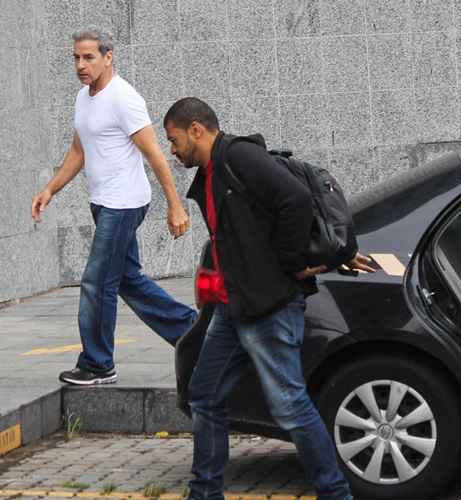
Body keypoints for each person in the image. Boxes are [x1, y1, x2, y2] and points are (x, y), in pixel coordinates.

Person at [163, 97, 374, 500]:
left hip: (268, 306)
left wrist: (290, 262)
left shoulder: (238, 157)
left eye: (173, 140)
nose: (172, 150)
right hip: (233, 306)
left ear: (197, 130)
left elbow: (294, 199)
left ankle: (336, 494)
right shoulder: (211, 173)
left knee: (291, 406)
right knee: (204, 395)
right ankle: (204, 493)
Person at [30, 29, 197, 385]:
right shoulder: (83, 98)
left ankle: (97, 363)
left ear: (109, 57)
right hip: (102, 202)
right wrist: (51, 189)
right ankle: (195, 334)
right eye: (75, 57)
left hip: (124, 203)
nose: (80, 64)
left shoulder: (124, 98)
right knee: (127, 280)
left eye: (88, 57)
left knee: (95, 281)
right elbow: (78, 151)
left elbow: (154, 154)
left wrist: (175, 205)